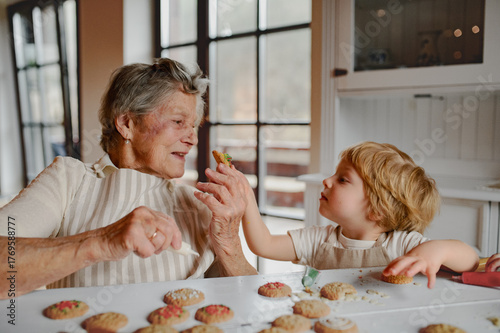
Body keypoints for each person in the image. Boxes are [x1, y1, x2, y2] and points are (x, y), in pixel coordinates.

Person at [0, 58, 256, 299]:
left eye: (193, 126)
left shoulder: (198, 204)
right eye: (178, 121)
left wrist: (230, 242)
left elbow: (248, 302)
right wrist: (101, 240)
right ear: (127, 123)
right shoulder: (69, 180)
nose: (193, 138)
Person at [196, 141, 479, 289]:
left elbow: (471, 260)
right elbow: (264, 244)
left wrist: (435, 251)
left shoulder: (402, 246)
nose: (327, 181)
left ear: (377, 209)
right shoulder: (321, 240)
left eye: (342, 179)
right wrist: (247, 198)